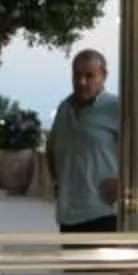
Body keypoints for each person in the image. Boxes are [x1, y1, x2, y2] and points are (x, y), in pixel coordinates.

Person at [48, 49, 122, 234]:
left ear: (103, 76)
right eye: (77, 75)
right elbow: (52, 146)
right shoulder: (64, 108)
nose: (82, 82)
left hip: (103, 213)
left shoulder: (116, 108)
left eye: (89, 76)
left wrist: (125, 183)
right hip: (69, 214)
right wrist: (57, 182)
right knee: (71, 263)